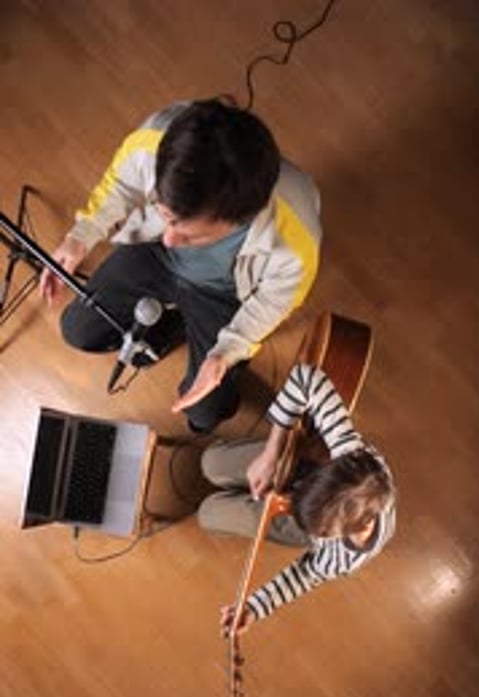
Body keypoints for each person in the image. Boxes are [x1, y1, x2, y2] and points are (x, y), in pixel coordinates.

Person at [40, 98, 322, 433]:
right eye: (165, 217)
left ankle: (184, 331)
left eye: (190, 234)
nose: (171, 239)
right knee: (78, 330)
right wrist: (81, 236)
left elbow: (271, 304)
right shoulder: (156, 142)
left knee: (204, 413)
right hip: (151, 255)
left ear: (240, 218)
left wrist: (225, 354)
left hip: (224, 294)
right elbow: (122, 185)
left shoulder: (296, 239)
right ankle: (173, 322)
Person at [197, 362, 396, 634]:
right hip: (302, 469)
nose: (282, 500)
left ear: (333, 535)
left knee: (208, 514)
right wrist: (271, 452)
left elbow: (307, 574)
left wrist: (255, 607)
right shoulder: (351, 453)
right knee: (210, 462)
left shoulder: (342, 559)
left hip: (303, 522)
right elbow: (306, 376)